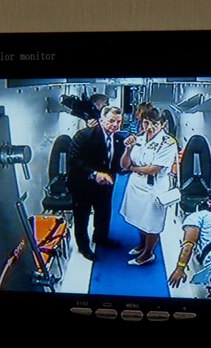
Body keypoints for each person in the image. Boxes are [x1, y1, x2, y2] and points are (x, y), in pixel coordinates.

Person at [120, 106, 178, 265]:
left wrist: (133, 169)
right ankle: (142, 244)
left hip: (154, 188)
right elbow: (124, 164)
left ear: (163, 124)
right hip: (136, 186)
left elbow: (153, 169)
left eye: (155, 124)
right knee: (139, 219)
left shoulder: (168, 143)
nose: (150, 128)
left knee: (152, 223)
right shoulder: (138, 138)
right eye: (146, 123)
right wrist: (127, 149)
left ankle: (148, 254)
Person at [67, 106, 125, 261]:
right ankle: (84, 247)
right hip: (83, 184)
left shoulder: (119, 139)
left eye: (118, 122)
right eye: (111, 121)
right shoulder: (83, 136)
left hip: (106, 185)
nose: (115, 125)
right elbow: (73, 161)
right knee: (82, 216)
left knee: (104, 212)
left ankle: (101, 238)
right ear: (101, 120)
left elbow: (117, 164)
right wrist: (94, 174)